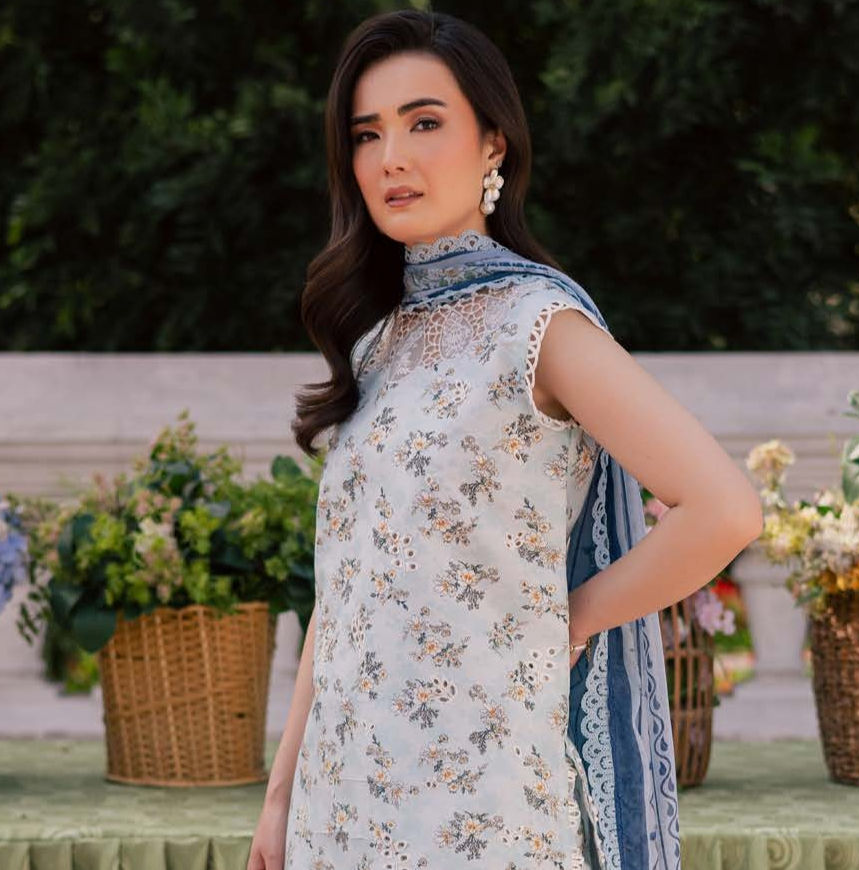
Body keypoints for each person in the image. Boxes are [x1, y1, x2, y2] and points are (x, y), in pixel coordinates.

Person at [247, 9, 763, 870]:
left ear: (495, 142)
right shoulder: (378, 343)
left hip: (479, 809)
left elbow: (725, 509)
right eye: (367, 134)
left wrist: (573, 617)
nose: (391, 157)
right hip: (339, 804)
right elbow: (341, 597)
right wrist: (279, 799)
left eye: (424, 123)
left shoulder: (540, 325)